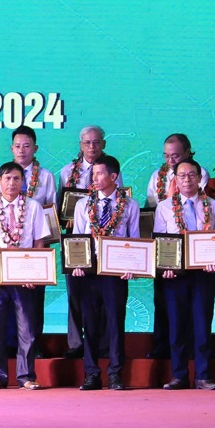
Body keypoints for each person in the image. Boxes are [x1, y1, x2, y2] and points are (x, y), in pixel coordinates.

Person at [0, 162, 50, 390]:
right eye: (7, 179)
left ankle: (26, 376)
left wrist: (35, 272)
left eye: (16, 179)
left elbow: (39, 241)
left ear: (22, 181)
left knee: (27, 328)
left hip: (24, 275)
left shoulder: (34, 207)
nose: (11, 183)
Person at [71, 155, 140, 391]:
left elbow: (134, 239)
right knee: (89, 323)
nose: (95, 178)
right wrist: (76, 263)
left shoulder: (130, 205)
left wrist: (133, 267)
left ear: (113, 177)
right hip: (89, 274)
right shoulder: (83, 204)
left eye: (99, 174)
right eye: (93, 174)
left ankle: (115, 373)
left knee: (115, 323)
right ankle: (91, 373)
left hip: (115, 274)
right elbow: (78, 239)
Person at [154, 159, 215, 390]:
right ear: (175, 179)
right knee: (176, 325)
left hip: (204, 274)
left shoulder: (213, 205)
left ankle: (203, 375)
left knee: (202, 323)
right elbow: (159, 242)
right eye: (182, 176)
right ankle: (179, 375)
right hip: (176, 276)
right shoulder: (164, 207)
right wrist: (166, 267)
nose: (187, 179)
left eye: (191, 175)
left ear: (199, 177)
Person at [0, 125, 56, 355]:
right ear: (11, 148)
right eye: (17, 145)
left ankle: (32, 346)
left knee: (32, 302)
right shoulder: (2, 176)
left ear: (35, 148)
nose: (22, 150)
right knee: (4, 304)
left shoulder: (46, 177)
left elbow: (50, 214)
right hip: (4, 252)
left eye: (27, 145)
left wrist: (39, 259)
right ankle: (8, 346)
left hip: (31, 250)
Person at [57, 125, 121, 359]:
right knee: (76, 293)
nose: (92, 146)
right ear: (80, 145)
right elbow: (59, 209)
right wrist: (67, 223)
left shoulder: (112, 168)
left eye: (96, 142)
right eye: (87, 143)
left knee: (104, 297)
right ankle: (75, 343)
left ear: (103, 144)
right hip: (75, 241)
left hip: (105, 243)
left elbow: (120, 201)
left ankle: (102, 344)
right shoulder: (67, 171)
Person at [144, 133, 210, 360]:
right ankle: (161, 345)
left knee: (196, 308)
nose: (171, 161)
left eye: (176, 155)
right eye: (166, 156)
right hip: (168, 249)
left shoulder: (198, 175)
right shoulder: (157, 176)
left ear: (188, 152)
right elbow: (151, 210)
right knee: (162, 300)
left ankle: (195, 354)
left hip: (197, 254)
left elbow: (204, 210)